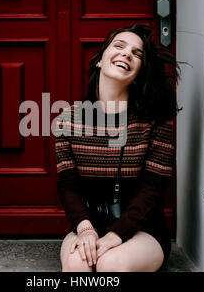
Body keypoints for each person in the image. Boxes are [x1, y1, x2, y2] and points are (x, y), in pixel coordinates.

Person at [55, 24, 182, 272]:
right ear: (100, 60)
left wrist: (116, 235)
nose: (127, 54)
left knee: (110, 264)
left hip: (142, 230)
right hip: (88, 225)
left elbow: (152, 188)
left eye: (137, 54)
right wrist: (85, 229)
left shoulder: (155, 121)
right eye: (119, 46)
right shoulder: (66, 120)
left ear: (139, 73)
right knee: (76, 265)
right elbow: (68, 185)